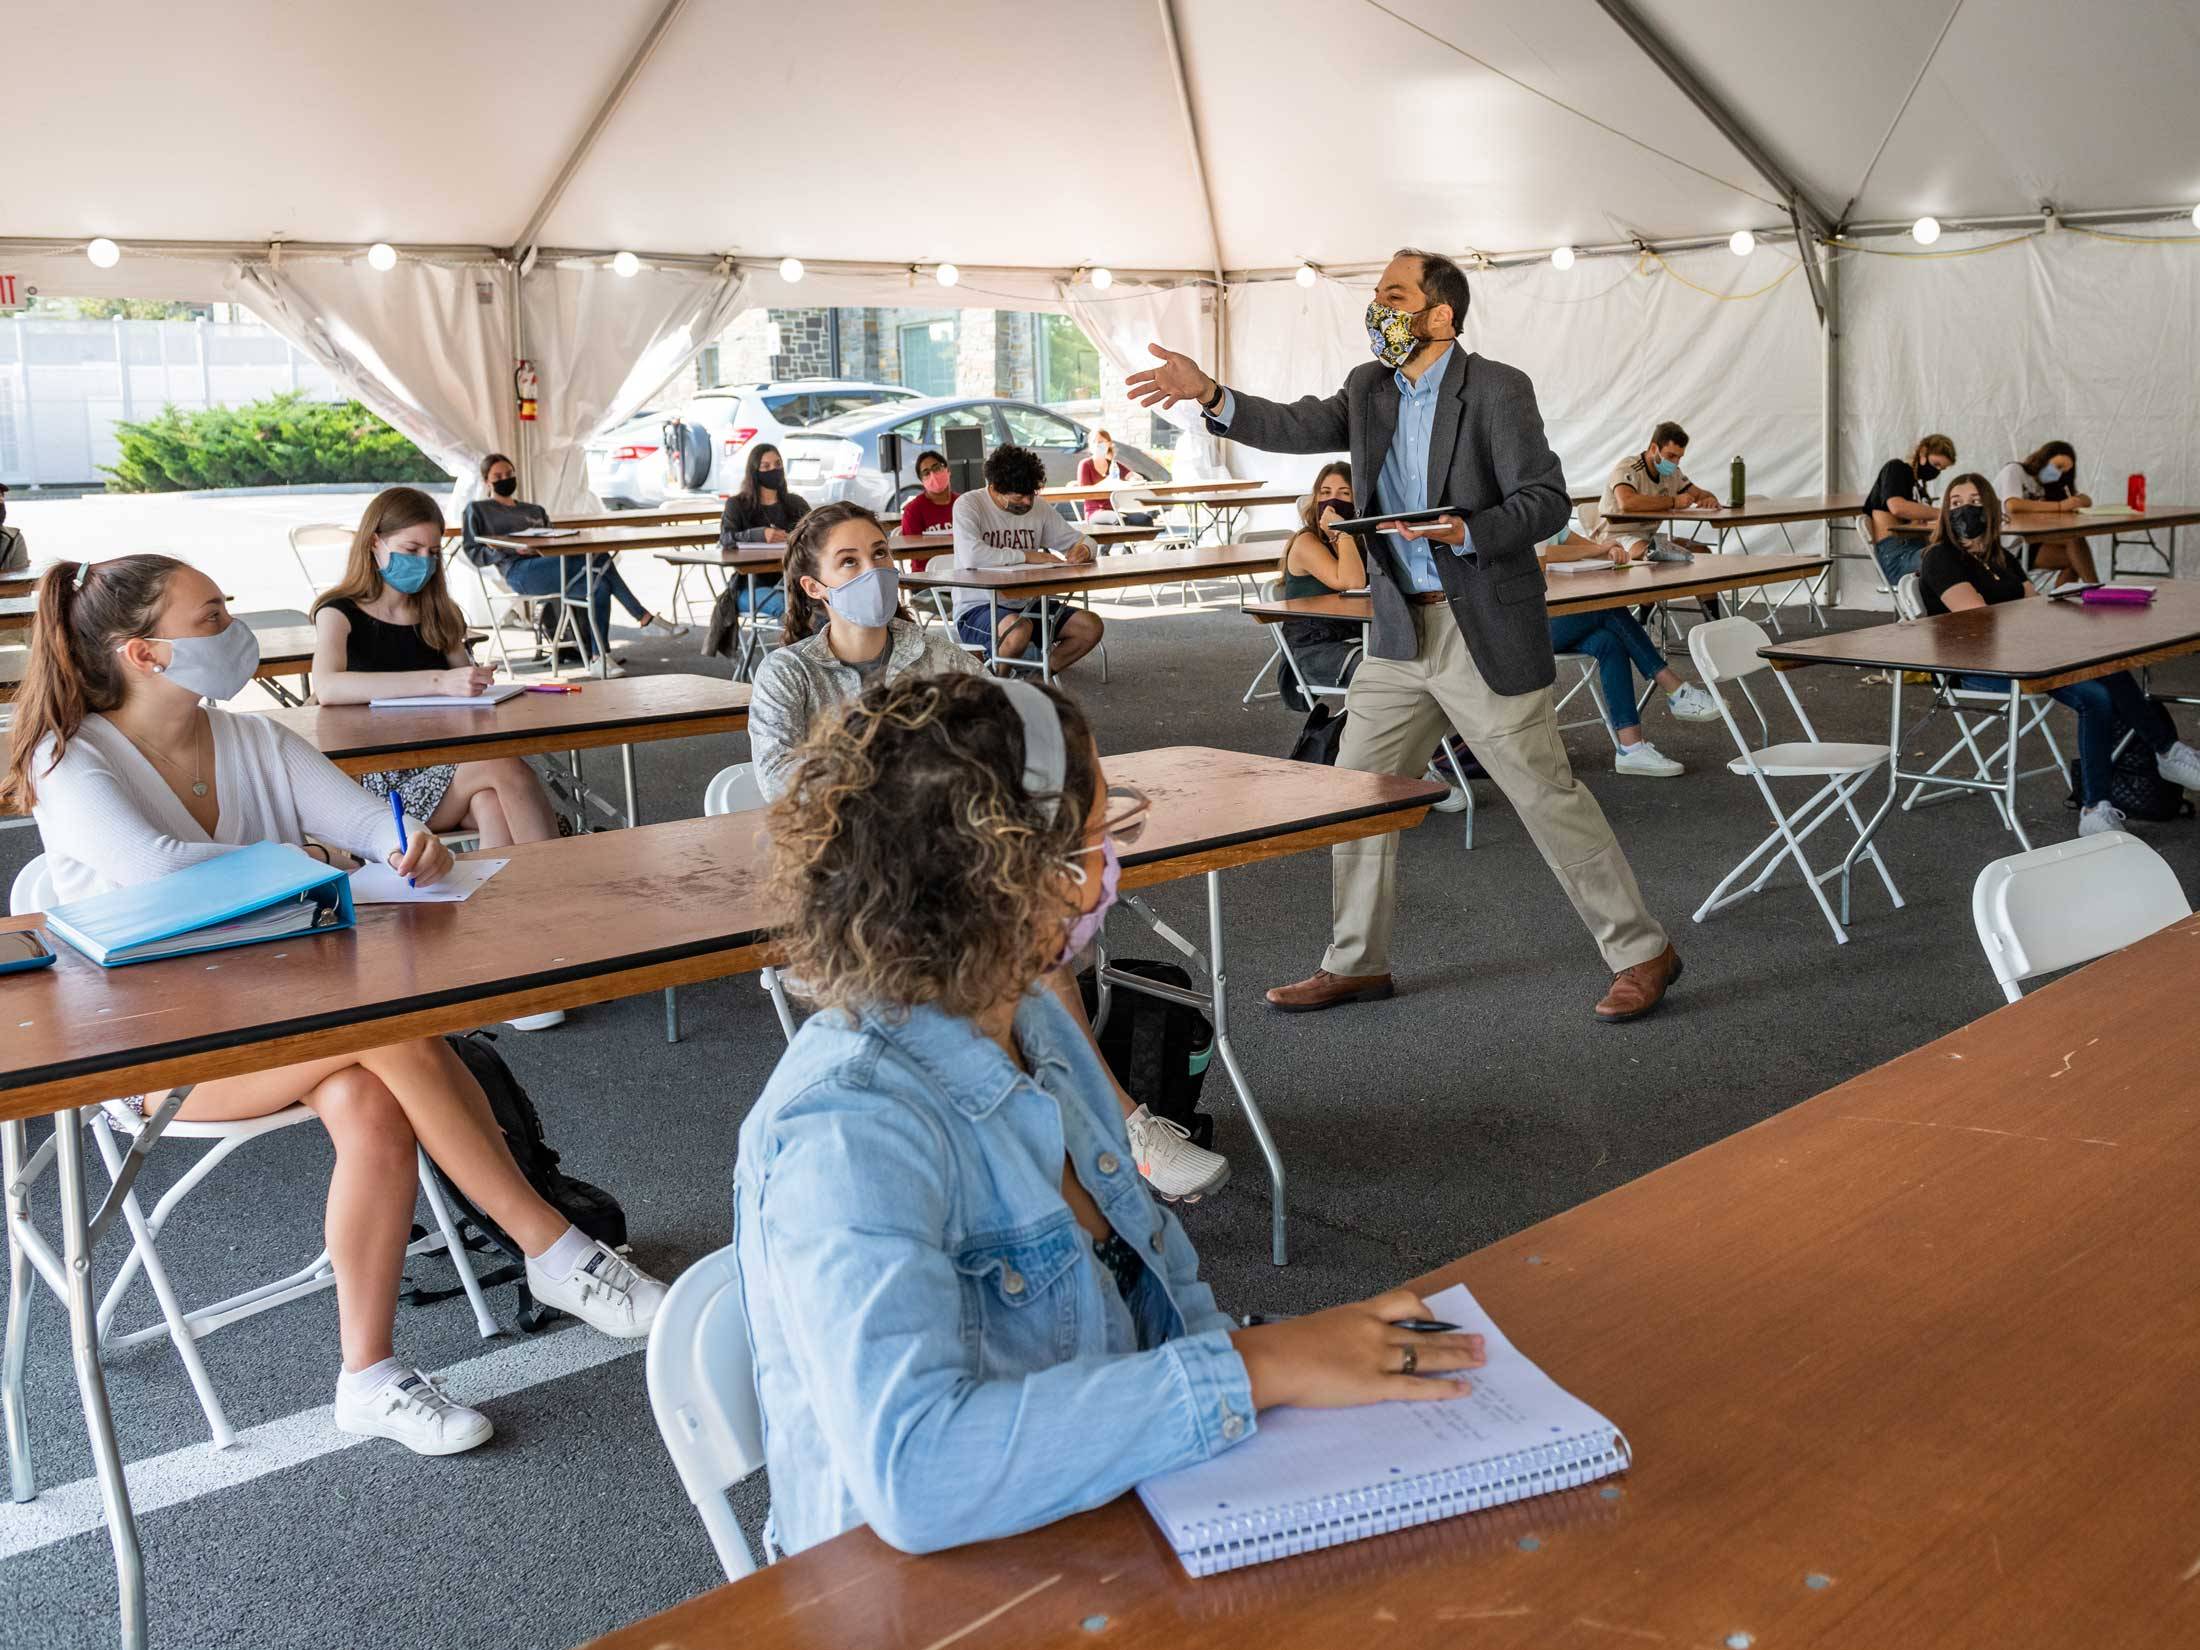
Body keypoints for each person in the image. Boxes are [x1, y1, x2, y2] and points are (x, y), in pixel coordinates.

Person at [734, 670, 1486, 1556]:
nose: (1111, 866)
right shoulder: (849, 1127)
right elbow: (915, 1472)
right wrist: (1258, 1370)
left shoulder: (1037, 1025)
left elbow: (1164, 1301)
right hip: (933, 1593)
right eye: (1094, 840)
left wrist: (1278, 1411)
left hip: (1095, 1518)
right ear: (1009, 876)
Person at [3, 554, 668, 1456]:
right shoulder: (66, 757)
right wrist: (329, 875)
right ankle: (553, 1251)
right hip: (144, 1055)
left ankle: (369, 1376)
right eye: (212, 616)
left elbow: (370, 827)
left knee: (368, 1095)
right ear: (145, 654)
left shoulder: (253, 739)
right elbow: (160, 874)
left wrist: (408, 845)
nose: (234, 627)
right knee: (386, 1034)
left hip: (293, 1018)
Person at [1129, 248, 1682, 1022]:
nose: (1377, 308)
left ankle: (1642, 951)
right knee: (1354, 798)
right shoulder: (1367, 388)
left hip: (1478, 624)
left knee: (1546, 796)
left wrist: (1468, 528)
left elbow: (1547, 501)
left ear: (1439, 315)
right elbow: (1292, 424)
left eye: (1392, 294)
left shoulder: (1496, 389)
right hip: (1397, 630)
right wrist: (1211, 395)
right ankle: (1356, 962)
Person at [750, 502, 1230, 1201]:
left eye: (882, 555)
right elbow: (786, 790)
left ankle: (1078, 1135)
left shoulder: (935, 651)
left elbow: (1006, 738)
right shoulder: (789, 675)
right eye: (850, 562)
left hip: (952, 863)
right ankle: (1114, 1125)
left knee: (1020, 926)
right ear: (813, 587)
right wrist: (927, 779)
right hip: (853, 885)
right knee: (1017, 936)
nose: (874, 571)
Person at [310, 487, 569, 1031]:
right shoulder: (340, 613)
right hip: (377, 789)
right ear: (375, 544)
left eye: (433, 552)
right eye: (411, 549)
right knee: (502, 770)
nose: (423, 563)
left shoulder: (438, 612)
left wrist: (475, 683)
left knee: (496, 800)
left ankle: (507, 958)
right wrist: (438, 681)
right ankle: (554, 928)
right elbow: (328, 687)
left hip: (446, 770)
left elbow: (462, 685)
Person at [1917, 474, 2200, 836]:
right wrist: (2028, 617)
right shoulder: (1940, 558)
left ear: (1988, 508)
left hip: (2025, 654)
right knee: (2095, 696)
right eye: (1955, 503)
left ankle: (2162, 756)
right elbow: (1978, 618)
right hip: (1976, 666)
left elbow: (2032, 604)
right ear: (1944, 511)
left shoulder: (2001, 558)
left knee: (2106, 663)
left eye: (1973, 501)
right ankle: (2101, 802)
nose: (1964, 510)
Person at [461, 452, 683, 675]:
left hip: (550, 564)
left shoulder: (534, 510)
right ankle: (644, 618)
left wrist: (546, 544)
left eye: (509, 473)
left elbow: (553, 538)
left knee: (600, 586)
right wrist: (505, 549)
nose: (505, 479)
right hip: (519, 573)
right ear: (486, 481)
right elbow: (473, 552)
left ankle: (599, 658)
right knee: (598, 557)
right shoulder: (478, 509)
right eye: (498, 476)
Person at [1540, 526, 1720, 776]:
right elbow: (1546, 554)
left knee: (1609, 642)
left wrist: (1611, 551)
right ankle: (1674, 687)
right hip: (1528, 632)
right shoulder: (1517, 515)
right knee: (1606, 606)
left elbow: (1584, 548)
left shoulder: (1550, 517)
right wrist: (1601, 547)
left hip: (1560, 619)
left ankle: (1631, 747)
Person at [950, 444, 1105, 672]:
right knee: (1019, 629)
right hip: (978, 606)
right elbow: (973, 556)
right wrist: (1028, 556)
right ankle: (1000, 686)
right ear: (994, 488)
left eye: (1031, 494)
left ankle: (1036, 677)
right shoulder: (969, 504)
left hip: (1028, 604)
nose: (1027, 503)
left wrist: (1085, 550)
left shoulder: (1038, 508)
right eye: (1019, 496)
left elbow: (1085, 541)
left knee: (1090, 626)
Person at [1274, 461, 1368, 711]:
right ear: (1315, 499)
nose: (1333, 500)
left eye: (1344, 493)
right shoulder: (1307, 541)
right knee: (1384, 678)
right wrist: (1340, 532)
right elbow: (1353, 583)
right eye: (1325, 493)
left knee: (1418, 668)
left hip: (1360, 637)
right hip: (1313, 648)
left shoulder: (1363, 540)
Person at [707, 442, 810, 656]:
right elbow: (726, 538)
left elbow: (818, 533)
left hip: (794, 583)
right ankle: (801, 664)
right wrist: (758, 534)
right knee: (792, 608)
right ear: (754, 471)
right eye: (765, 466)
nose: (774, 470)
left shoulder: (795, 503)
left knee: (820, 603)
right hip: (749, 588)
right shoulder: (738, 504)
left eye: (778, 464)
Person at [1592, 422, 1720, 558]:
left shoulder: (1673, 473)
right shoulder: (1628, 467)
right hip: (1616, 536)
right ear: (1654, 448)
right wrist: (1673, 502)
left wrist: (1709, 499)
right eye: (1671, 456)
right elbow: (1627, 502)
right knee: (1656, 555)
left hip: (1649, 537)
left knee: (1701, 550)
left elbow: (1699, 494)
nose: (1676, 462)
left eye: (1679, 457)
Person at [1997, 440, 2098, 585]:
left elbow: (2086, 500)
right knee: (2076, 550)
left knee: (2076, 556)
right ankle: (2096, 590)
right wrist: (2059, 506)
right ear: (2044, 458)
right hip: (2008, 546)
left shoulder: (2045, 486)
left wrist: (2079, 500)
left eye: (2064, 471)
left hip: (2030, 541)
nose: (2059, 473)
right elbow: (2012, 505)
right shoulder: (2014, 470)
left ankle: (2068, 601)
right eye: (2058, 466)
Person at [1863, 433, 1956, 584]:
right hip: (1897, 557)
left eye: (1942, 469)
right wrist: (1943, 514)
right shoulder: (1896, 468)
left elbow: (1920, 527)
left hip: (1914, 551)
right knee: (1950, 558)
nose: (1937, 471)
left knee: (1963, 553)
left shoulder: (1919, 488)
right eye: (1936, 464)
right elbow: (1897, 507)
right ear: (1923, 452)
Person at [1076, 428, 1156, 526]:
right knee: (1122, 520)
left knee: (1145, 519)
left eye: (1101, 442)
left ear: (1108, 444)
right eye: (1094, 442)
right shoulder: (1085, 464)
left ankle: (1136, 541)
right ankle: (1125, 541)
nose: (1097, 445)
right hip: (1095, 511)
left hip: (1117, 508)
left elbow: (1130, 475)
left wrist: (1134, 478)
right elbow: (1083, 491)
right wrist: (1106, 482)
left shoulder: (1114, 465)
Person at [897, 448, 957, 539]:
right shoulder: (913, 511)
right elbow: (912, 549)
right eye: (926, 473)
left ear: (947, 470)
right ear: (922, 480)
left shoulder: (962, 503)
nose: (933, 475)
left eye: (936, 468)